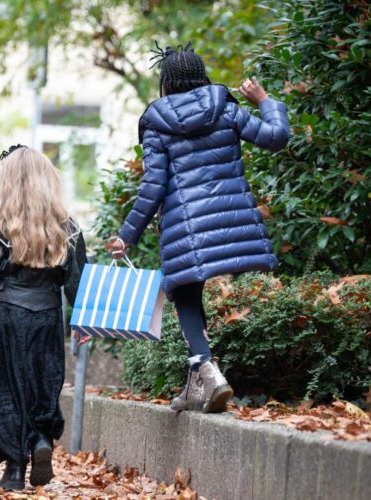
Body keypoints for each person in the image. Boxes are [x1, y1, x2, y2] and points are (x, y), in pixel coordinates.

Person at [107, 42, 290, 413]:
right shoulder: (226, 109)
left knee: (186, 296)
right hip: (230, 223)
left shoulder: (157, 122)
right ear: (201, 74)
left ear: (166, 82)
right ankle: (198, 386)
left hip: (185, 228)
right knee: (188, 294)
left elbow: (153, 186)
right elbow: (277, 137)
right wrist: (264, 99)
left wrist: (126, 235)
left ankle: (207, 368)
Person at [0, 145, 87, 491]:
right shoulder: (67, 227)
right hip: (48, 314)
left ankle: (15, 470)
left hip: (6, 313)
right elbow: (77, 284)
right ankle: (40, 440)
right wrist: (79, 322)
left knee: (6, 389)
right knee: (43, 385)